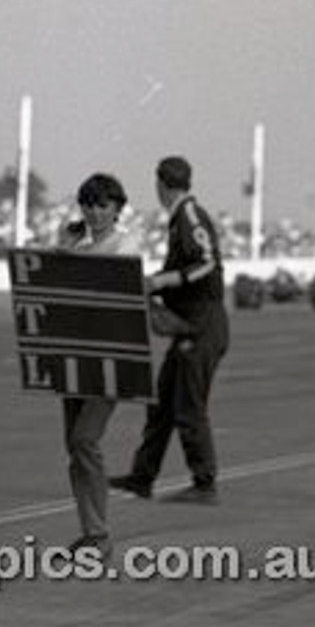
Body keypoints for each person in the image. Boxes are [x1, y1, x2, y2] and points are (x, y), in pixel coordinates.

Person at [109, 155, 230, 505]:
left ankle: (204, 483)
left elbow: (207, 263)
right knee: (162, 403)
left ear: (161, 185)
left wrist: (160, 281)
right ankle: (141, 477)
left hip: (203, 324)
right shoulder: (180, 219)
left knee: (189, 407)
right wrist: (152, 287)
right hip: (192, 324)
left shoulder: (189, 216)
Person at [54, 174, 143, 560]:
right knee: (74, 444)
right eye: (88, 205)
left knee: (84, 439)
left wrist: (67, 253)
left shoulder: (126, 243)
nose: (94, 212)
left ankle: (100, 533)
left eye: (103, 205)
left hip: (111, 358)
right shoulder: (79, 244)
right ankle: (91, 531)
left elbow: (107, 272)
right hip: (76, 354)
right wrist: (64, 247)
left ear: (117, 209)